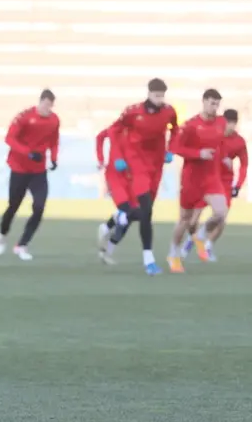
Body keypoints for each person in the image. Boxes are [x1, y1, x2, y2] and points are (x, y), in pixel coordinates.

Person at [104, 78, 178, 275]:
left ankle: (121, 216)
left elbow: (175, 129)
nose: (160, 99)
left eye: (162, 96)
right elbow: (114, 129)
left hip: (156, 166)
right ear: (149, 93)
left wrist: (172, 149)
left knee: (144, 212)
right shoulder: (133, 112)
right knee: (146, 211)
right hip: (137, 164)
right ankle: (149, 259)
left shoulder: (169, 111)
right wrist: (119, 156)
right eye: (156, 95)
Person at [0, 89, 60, 261]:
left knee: (39, 206)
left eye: (51, 106)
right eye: (46, 105)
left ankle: (22, 245)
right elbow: (9, 138)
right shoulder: (25, 117)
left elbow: (54, 141)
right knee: (13, 206)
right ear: (40, 101)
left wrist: (53, 158)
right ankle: (1, 234)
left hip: (38, 171)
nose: (48, 109)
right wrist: (27, 152)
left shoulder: (54, 120)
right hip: (19, 168)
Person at [167, 89, 228, 273]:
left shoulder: (221, 122)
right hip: (192, 178)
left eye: (217, 104)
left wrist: (223, 156)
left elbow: (220, 143)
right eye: (212, 103)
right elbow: (175, 147)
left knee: (221, 212)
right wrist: (198, 154)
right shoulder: (191, 125)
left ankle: (200, 236)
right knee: (185, 220)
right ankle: (173, 254)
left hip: (211, 178)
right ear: (203, 102)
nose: (214, 107)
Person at [181, 107, 247, 261]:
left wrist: (238, 185)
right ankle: (192, 240)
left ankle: (208, 245)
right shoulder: (212, 135)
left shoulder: (239, 142)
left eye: (231, 123)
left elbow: (244, 165)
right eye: (226, 123)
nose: (228, 126)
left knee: (221, 217)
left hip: (224, 183)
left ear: (235, 124)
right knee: (192, 219)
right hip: (206, 180)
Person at [95, 123, 141, 265]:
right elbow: (100, 137)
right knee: (125, 211)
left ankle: (107, 245)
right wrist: (101, 159)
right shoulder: (116, 128)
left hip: (131, 177)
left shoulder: (141, 132)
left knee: (134, 215)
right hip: (115, 176)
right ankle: (107, 230)